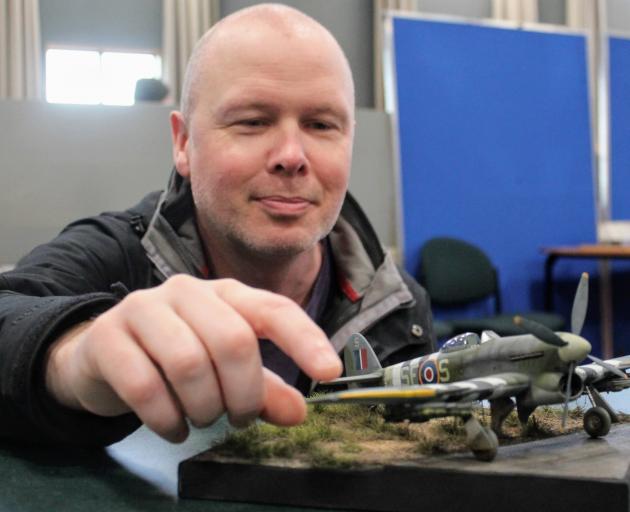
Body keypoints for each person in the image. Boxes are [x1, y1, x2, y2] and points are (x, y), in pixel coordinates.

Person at [0, 3, 435, 447]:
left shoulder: (395, 303)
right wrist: (72, 356)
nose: (292, 155)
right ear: (184, 142)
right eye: (252, 121)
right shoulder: (118, 252)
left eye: (322, 124)